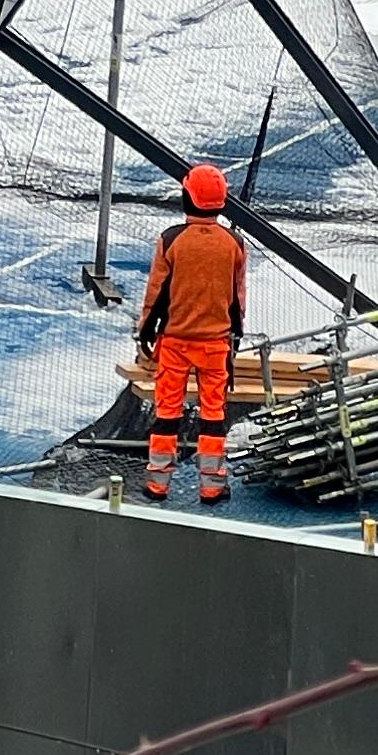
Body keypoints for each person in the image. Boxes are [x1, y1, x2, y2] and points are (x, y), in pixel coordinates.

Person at [135, 163, 247, 504]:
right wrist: (234, 339)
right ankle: (212, 486)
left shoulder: (171, 240)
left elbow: (156, 293)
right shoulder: (234, 243)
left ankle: (158, 483)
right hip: (216, 344)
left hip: (175, 343)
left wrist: (145, 333)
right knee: (214, 414)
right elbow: (237, 298)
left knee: (168, 411)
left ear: (187, 197)